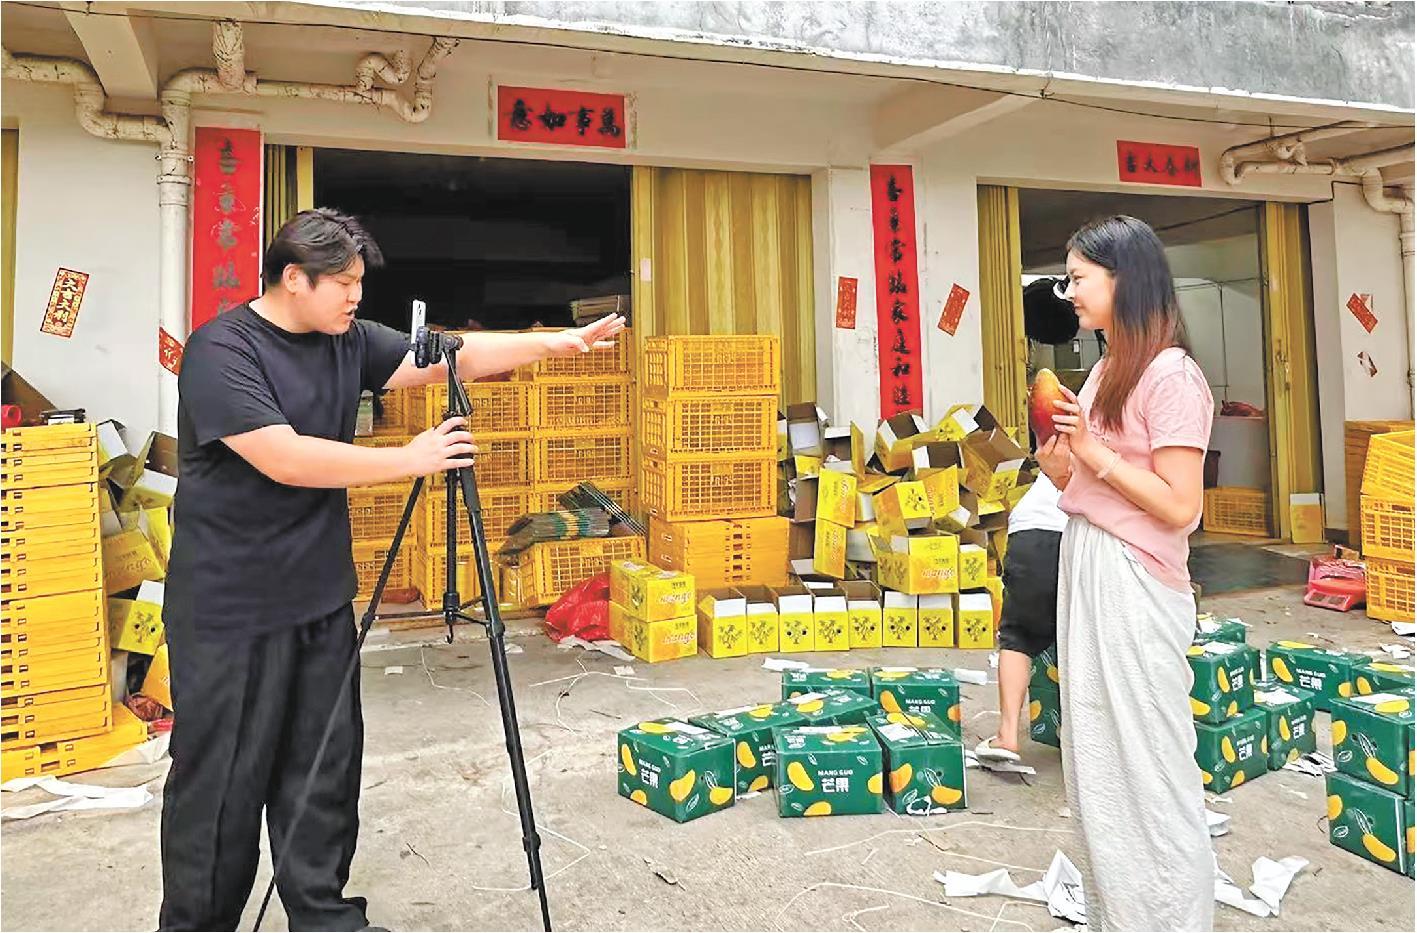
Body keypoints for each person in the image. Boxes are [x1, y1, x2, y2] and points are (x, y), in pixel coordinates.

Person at [158, 208, 624, 932]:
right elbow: (283, 456)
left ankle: (323, 914)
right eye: (343, 283)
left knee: (323, 767)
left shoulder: (346, 339)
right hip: (230, 606)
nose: (356, 296)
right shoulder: (222, 350)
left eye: (358, 283)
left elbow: (448, 354)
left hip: (320, 596)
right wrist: (409, 459)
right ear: (293, 278)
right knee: (221, 780)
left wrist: (558, 343)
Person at [1036, 215, 1215, 932]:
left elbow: (1180, 506)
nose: (1069, 293)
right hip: (1090, 560)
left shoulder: (1172, 375)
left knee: (1147, 764)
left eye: (1078, 278)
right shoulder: (1108, 368)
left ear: (1124, 280)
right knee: (1099, 758)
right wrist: (1059, 462)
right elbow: (1091, 483)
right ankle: (1124, 916)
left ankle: (1171, 918)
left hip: (1134, 577)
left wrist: (1093, 454)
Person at [974, 472, 1067, 762]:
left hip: (1033, 530)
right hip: (1087, 536)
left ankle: (1007, 736)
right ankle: (1082, 737)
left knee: (1019, 637)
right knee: (1086, 640)